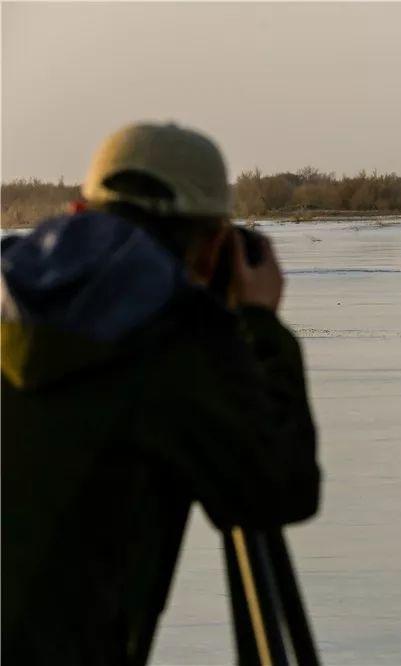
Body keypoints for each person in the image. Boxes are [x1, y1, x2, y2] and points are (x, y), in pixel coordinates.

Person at [1, 122, 321, 664]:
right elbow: (277, 487)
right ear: (216, 244)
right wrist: (257, 327)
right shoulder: (175, 337)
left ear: (79, 213)